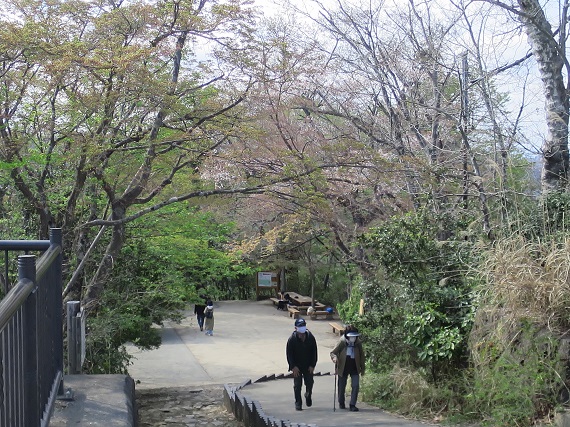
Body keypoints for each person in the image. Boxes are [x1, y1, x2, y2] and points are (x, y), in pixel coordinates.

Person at [330, 325, 365, 412]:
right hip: (343, 366)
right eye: (351, 336)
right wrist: (334, 358)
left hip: (354, 366)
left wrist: (362, 368)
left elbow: (362, 356)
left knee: (355, 385)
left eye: (354, 336)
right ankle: (341, 402)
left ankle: (352, 404)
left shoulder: (358, 343)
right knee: (342, 386)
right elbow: (333, 353)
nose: (353, 338)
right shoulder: (342, 342)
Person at [286, 318, 318, 411]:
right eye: (300, 326)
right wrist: (293, 366)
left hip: (308, 365)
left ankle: (308, 395)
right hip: (297, 366)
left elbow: (314, 353)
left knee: (309, 383)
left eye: (303, 326)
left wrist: (312, 365)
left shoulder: (310, 338)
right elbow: (289, 354)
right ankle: (298, 403)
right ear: (296, 328)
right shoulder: (292, 339)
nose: (302, 329)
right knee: (297, 385)